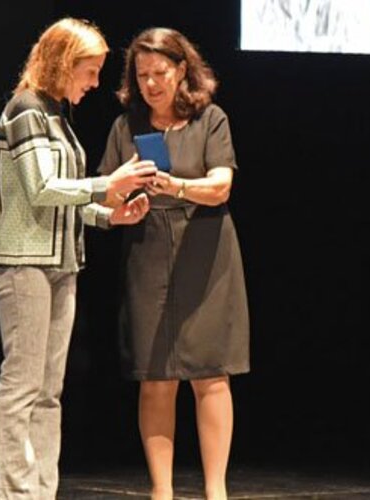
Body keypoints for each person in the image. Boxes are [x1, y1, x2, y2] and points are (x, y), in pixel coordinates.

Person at [0, 18, 157, 500]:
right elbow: (41, 189)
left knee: (48, 391)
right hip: (23, 263)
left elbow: (64, 199)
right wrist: (109, 184)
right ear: (64, 63)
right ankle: (15, 494)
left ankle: (41, 491)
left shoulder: (55, 114)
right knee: (22, 387)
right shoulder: (26, 110)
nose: (95, 82)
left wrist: (109, 215)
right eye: (90, 70)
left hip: (59, 264)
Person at [98, 27, 250, 500]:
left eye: (160, 72)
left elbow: (221, 187)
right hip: (148, 249)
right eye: (142, 74)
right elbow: (104, 193)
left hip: (205, 248)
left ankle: (216, 490)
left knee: (211, 373)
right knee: (156, 376)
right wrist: (125, 191)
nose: (150, 83)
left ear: (182, 70)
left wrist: (175, 185)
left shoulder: (211, 120)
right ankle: (160, 490)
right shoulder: (126, 126)